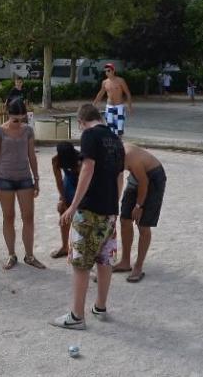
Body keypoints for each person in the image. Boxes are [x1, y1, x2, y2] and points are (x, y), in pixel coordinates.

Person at [50, 104, 124, 330]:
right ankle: (100, 307)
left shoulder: (90, 136)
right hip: (109, 210)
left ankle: (76, 316)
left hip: (89, 210)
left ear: (82, 122)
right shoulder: (116, 139)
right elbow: (120, 176)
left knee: (80, 263)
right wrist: (114, 205)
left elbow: (88, 168)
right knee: (104, 259)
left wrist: (73, 206)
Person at [0, 98, 45, 270]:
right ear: (8, 114)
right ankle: (11, 254)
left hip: (24, 178)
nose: (19, 123)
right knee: (9, 217)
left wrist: (36, 179)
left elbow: (32, 156)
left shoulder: (27, 130)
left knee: (28, 217)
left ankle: (29, 255)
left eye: (22, 119)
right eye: (15, 119)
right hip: (4, 178)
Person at [112, 143, 167, 283]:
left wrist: (139, 205)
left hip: (153, 177)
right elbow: (118, 178)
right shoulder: (111, 154)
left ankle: (138, 266)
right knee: (125, 219)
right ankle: (125, 261)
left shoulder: (131, 158)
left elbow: (144, 182)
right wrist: (114, 201)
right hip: (136, 177)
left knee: (143, 224)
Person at [50, 142, 81, 259]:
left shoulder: (80, 160)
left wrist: (73, 205)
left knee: (80, 215)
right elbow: (59, 181)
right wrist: (63, 199)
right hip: (68, 182)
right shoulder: (56, 160)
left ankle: (79, 250)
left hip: (81, 184)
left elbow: (84, 183)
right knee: (62, 211)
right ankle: (64, 247)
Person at [93, 63, 132, 137]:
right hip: (109, 107)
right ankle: (111, 146)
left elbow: (127, 93)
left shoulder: (120, 80)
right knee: (110, 128)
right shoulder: (104, 82)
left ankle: (119, 144)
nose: (107, 73)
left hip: (119, 106)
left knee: (119, 129)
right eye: (105, 71)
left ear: (113, 71)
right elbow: (101, 93)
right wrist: (94, 103)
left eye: (108, 71)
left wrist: (129, 106)